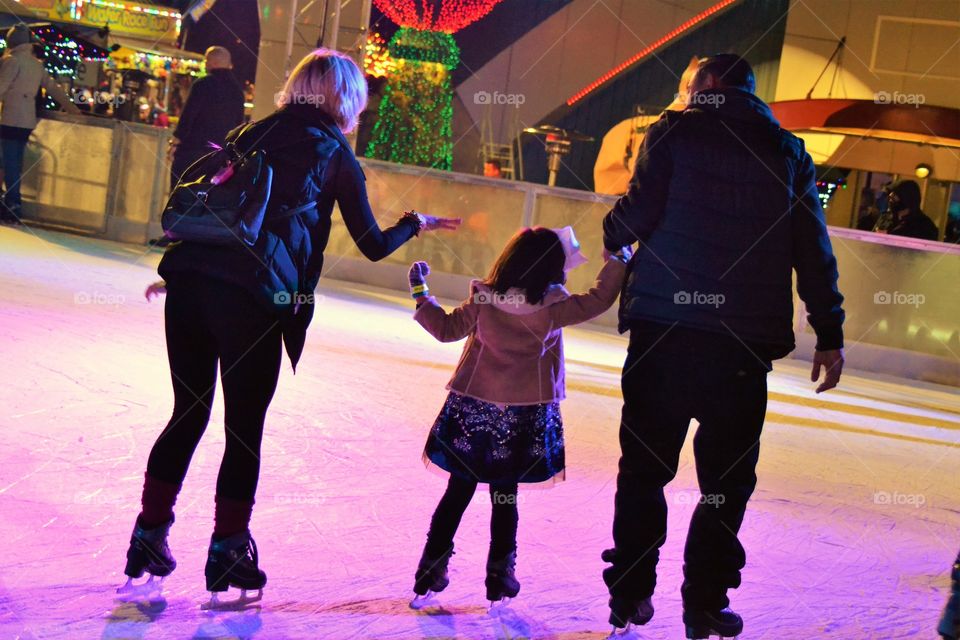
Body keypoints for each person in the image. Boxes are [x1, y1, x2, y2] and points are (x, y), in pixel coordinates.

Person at [121, 49, 461, 604]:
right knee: (242, 431)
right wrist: (414, 223)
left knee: (187, 413)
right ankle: (228, 549)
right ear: (346, 99)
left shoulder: (249, 133)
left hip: (188, 282)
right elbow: (373, 246)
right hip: (255, 300)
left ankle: (147, 538)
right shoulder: (334, 155)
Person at [600, 54, 845, 638]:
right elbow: (813, 248)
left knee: (643, 471)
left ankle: (630, 594)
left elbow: (635, 215)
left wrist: (613, 232)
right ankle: (705, 603)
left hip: (663, 332)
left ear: (707, 85)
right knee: (724, 486)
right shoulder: (789, 153)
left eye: (688, 87)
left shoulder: (674, 131)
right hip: (739, 348)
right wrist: (829, 333)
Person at [407, 226, 631, 608]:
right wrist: (619, 261)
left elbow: (445, 329)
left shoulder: (484, 300)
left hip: (472, 408)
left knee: (457, 490)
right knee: (505, 495)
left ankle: (431, 568)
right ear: (551, 268)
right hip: (522, 417)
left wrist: (419, 291)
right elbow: (598, 299)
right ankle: (499, 574)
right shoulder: (554, 308)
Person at [0, 24, 80, 223]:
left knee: (9, 162)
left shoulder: (12, 61)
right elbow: (54, 88)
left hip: (10, 119)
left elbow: (1, 88)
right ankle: (12, 202)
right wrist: (73, 109)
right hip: (27, 121)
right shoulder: (37, 65)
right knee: (13, 161)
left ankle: (13, 204)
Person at [168, 46, 244, 189]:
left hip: (192, 152)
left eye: (206, 60)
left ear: (213, 62)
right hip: (219, 156)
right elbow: (238, 124)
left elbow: (188, 116)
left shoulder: (203, 84)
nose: (205, 64)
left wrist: (175, 142)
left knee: (181, 194)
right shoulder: (237, 91)